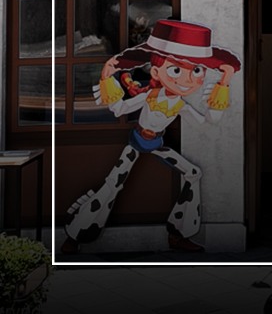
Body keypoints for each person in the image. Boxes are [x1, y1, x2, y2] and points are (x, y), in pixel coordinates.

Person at [62, 18, 240, 254]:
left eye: (196, 71)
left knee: (193, 173)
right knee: (113, 184)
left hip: (157, 144)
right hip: (136, 143)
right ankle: (75, 235)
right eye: (176, 70)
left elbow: (206, 121)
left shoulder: (180, 104)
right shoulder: (150, 96)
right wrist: (107, 79)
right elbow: (120, 109)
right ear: (156, 71)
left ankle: (179, 234)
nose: (187, 80)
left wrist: (224, 83)